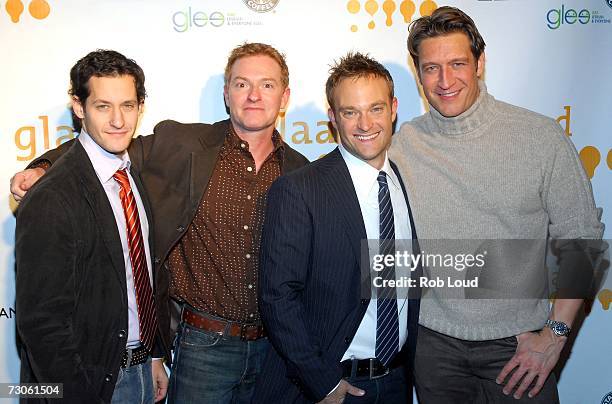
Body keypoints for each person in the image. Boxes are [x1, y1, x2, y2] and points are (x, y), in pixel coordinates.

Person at [11, 43, 309, 403]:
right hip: (203, 347)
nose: (254, 96)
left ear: (285, 95)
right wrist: (42, 168)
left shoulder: (301, 170)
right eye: (242, 84)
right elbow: (103, 148)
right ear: (227, 94)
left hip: (274, 350)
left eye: (267, 84)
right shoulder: (181, 144)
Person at [389, 6, 605, 403]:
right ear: (417, 72)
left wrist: (554, 337)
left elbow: (583, 242)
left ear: (480, 62)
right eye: (431, 67)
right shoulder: (401, 145)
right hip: (434, 351)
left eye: (457, 63)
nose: (445, 80)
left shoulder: (539, 137)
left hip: (519, 348)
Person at [253, 52, 420, 404]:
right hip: (332, 388)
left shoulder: (403, 182)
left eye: (375, 108)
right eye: (350, 112)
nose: (364, 123)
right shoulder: (300, 189)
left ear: (393, 109)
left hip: (397, 382)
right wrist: (323, 382)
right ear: (333, 118)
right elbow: (277, 296)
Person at [15, 49, 169, 403]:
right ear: (79, 107)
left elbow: (143, 275)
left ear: (140, 107)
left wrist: (155, 355)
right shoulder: (53, 195)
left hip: (141, 369)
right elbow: (42, 323)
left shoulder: (130, 176)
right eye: (103, 106)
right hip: (91, 383)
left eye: (128, 105)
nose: (118, 120)